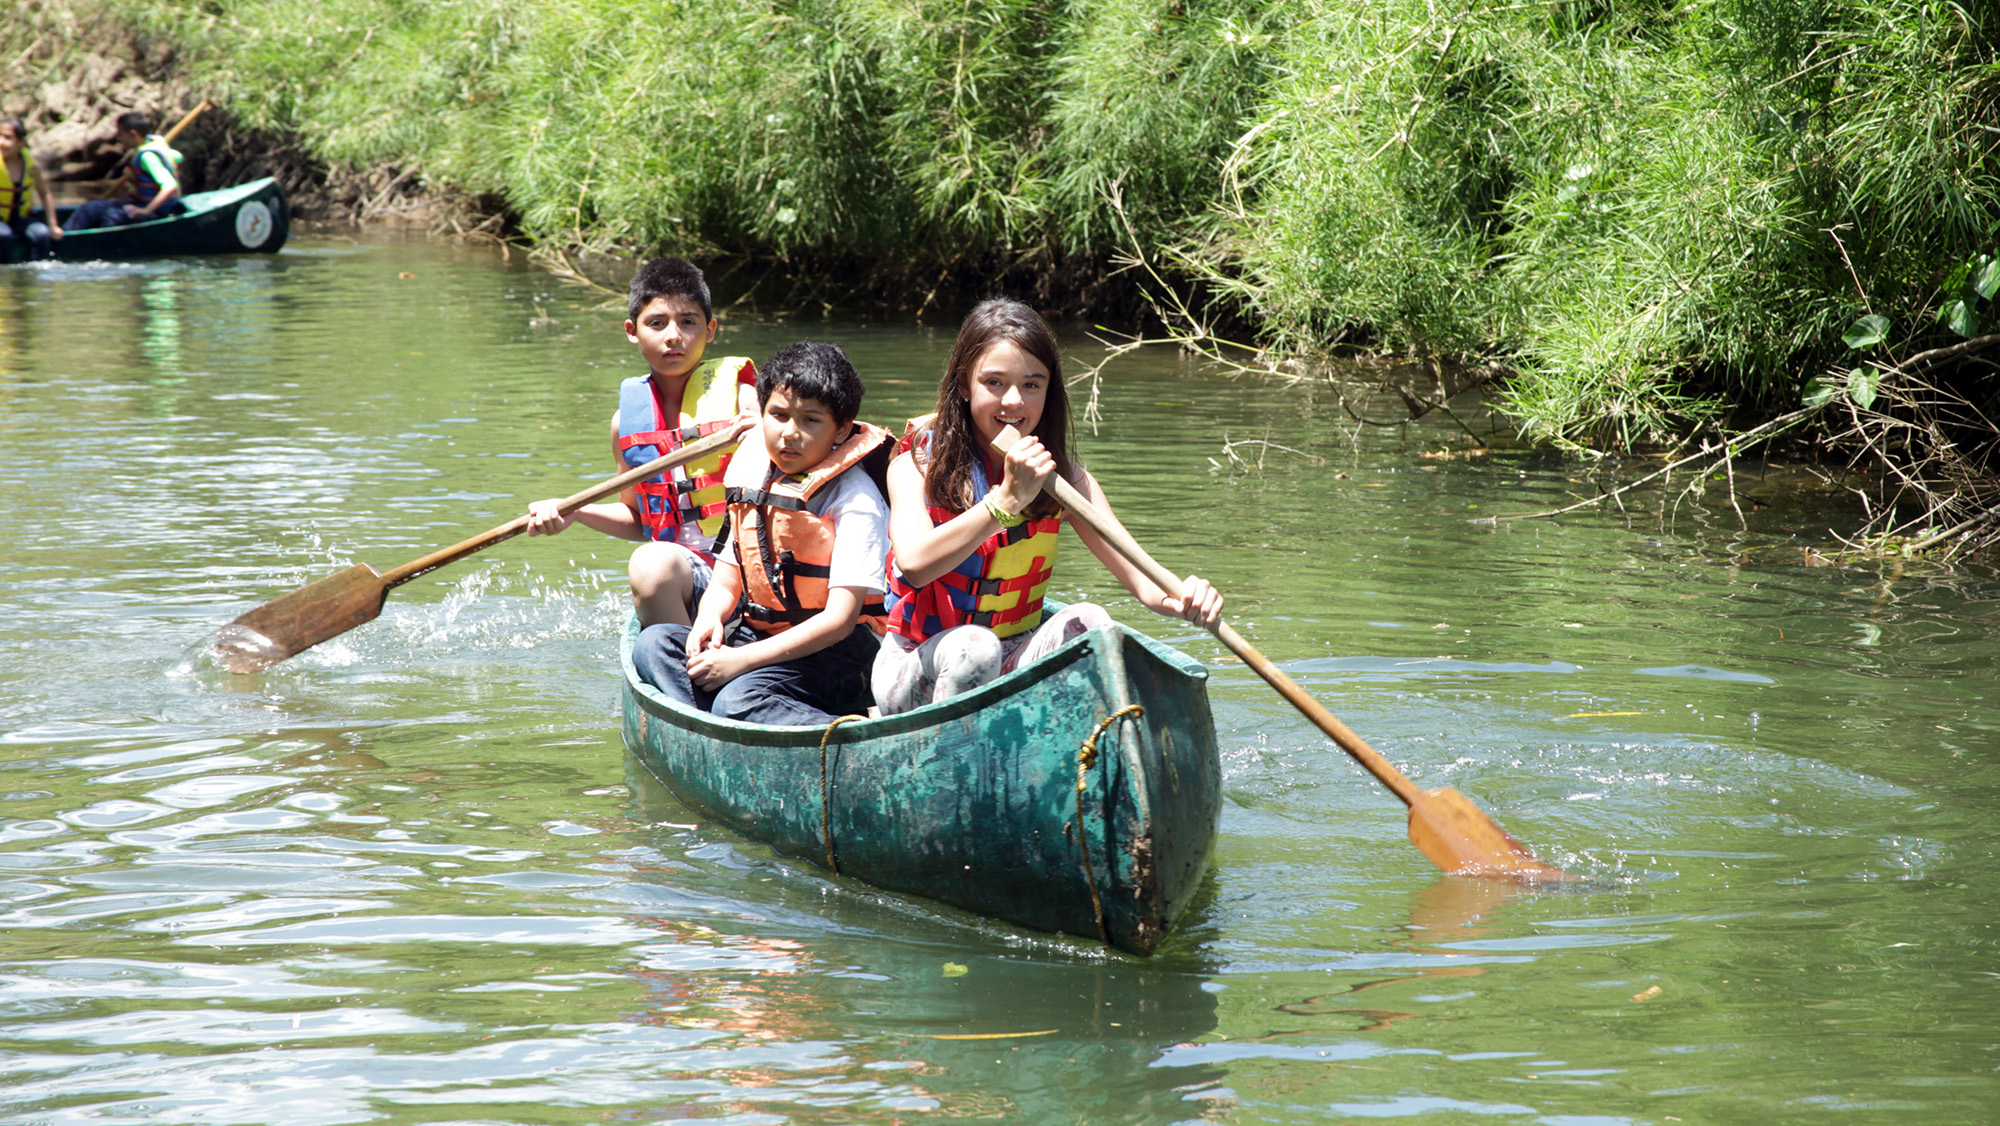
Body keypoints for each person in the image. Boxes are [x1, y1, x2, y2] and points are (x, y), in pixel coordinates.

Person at [874, 298, 1223, 714]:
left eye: (1032, 385)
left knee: (1090, 623)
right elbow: (914, 564)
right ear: (964, 385)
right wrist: (1004, 501)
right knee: (976, 647)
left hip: (1012, 656)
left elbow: (1147, 583)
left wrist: (1186, 598)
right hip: (917, 664)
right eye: (994, 383)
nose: (1014, 402)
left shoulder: (1066, 482)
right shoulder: (915, 465)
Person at [631, 341, 895, 726]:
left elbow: (839, 621)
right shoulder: (755, 475)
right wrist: (710, 619)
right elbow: (725, 583)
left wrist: (737, 662)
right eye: (779, 414)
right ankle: (722, 722)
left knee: (738, 700)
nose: (790, 433)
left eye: (810, 420)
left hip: (841, 653)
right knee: (652, 646)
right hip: (762, 638)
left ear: (840, 429)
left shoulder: (855, 499)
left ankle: (829, 728)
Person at [526, 257, 759, 626]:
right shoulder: (626, 424)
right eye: (657, 323)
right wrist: (574, 511)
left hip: (750, 565)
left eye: (688, 322)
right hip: (684, 572)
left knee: (654, 563)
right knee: (649, 563)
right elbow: (639, 519)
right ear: (632, 331)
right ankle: (682, 662)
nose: (673, 336)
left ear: (710, 329)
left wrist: (762, 434)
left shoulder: (746, 401)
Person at [62, 112, 184, 231]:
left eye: (120, 134)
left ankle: (103, 247)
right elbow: (178, 156)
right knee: (89, 208)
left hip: (157, 211)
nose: (118, 139)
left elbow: (170, 186)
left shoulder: (147, 157)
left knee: (113, 216)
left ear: (133, 134)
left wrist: (146, 211)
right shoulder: (153, 148)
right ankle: (67, 236)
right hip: (140, 203)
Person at [0, 117, 63, 260]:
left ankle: (39, 271)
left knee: (41, 233)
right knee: (3, 235)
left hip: (20, 220)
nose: (1, 142)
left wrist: (53, 226)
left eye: (8, 138)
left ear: (21, 142)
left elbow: (45, 193)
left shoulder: (31, 166)